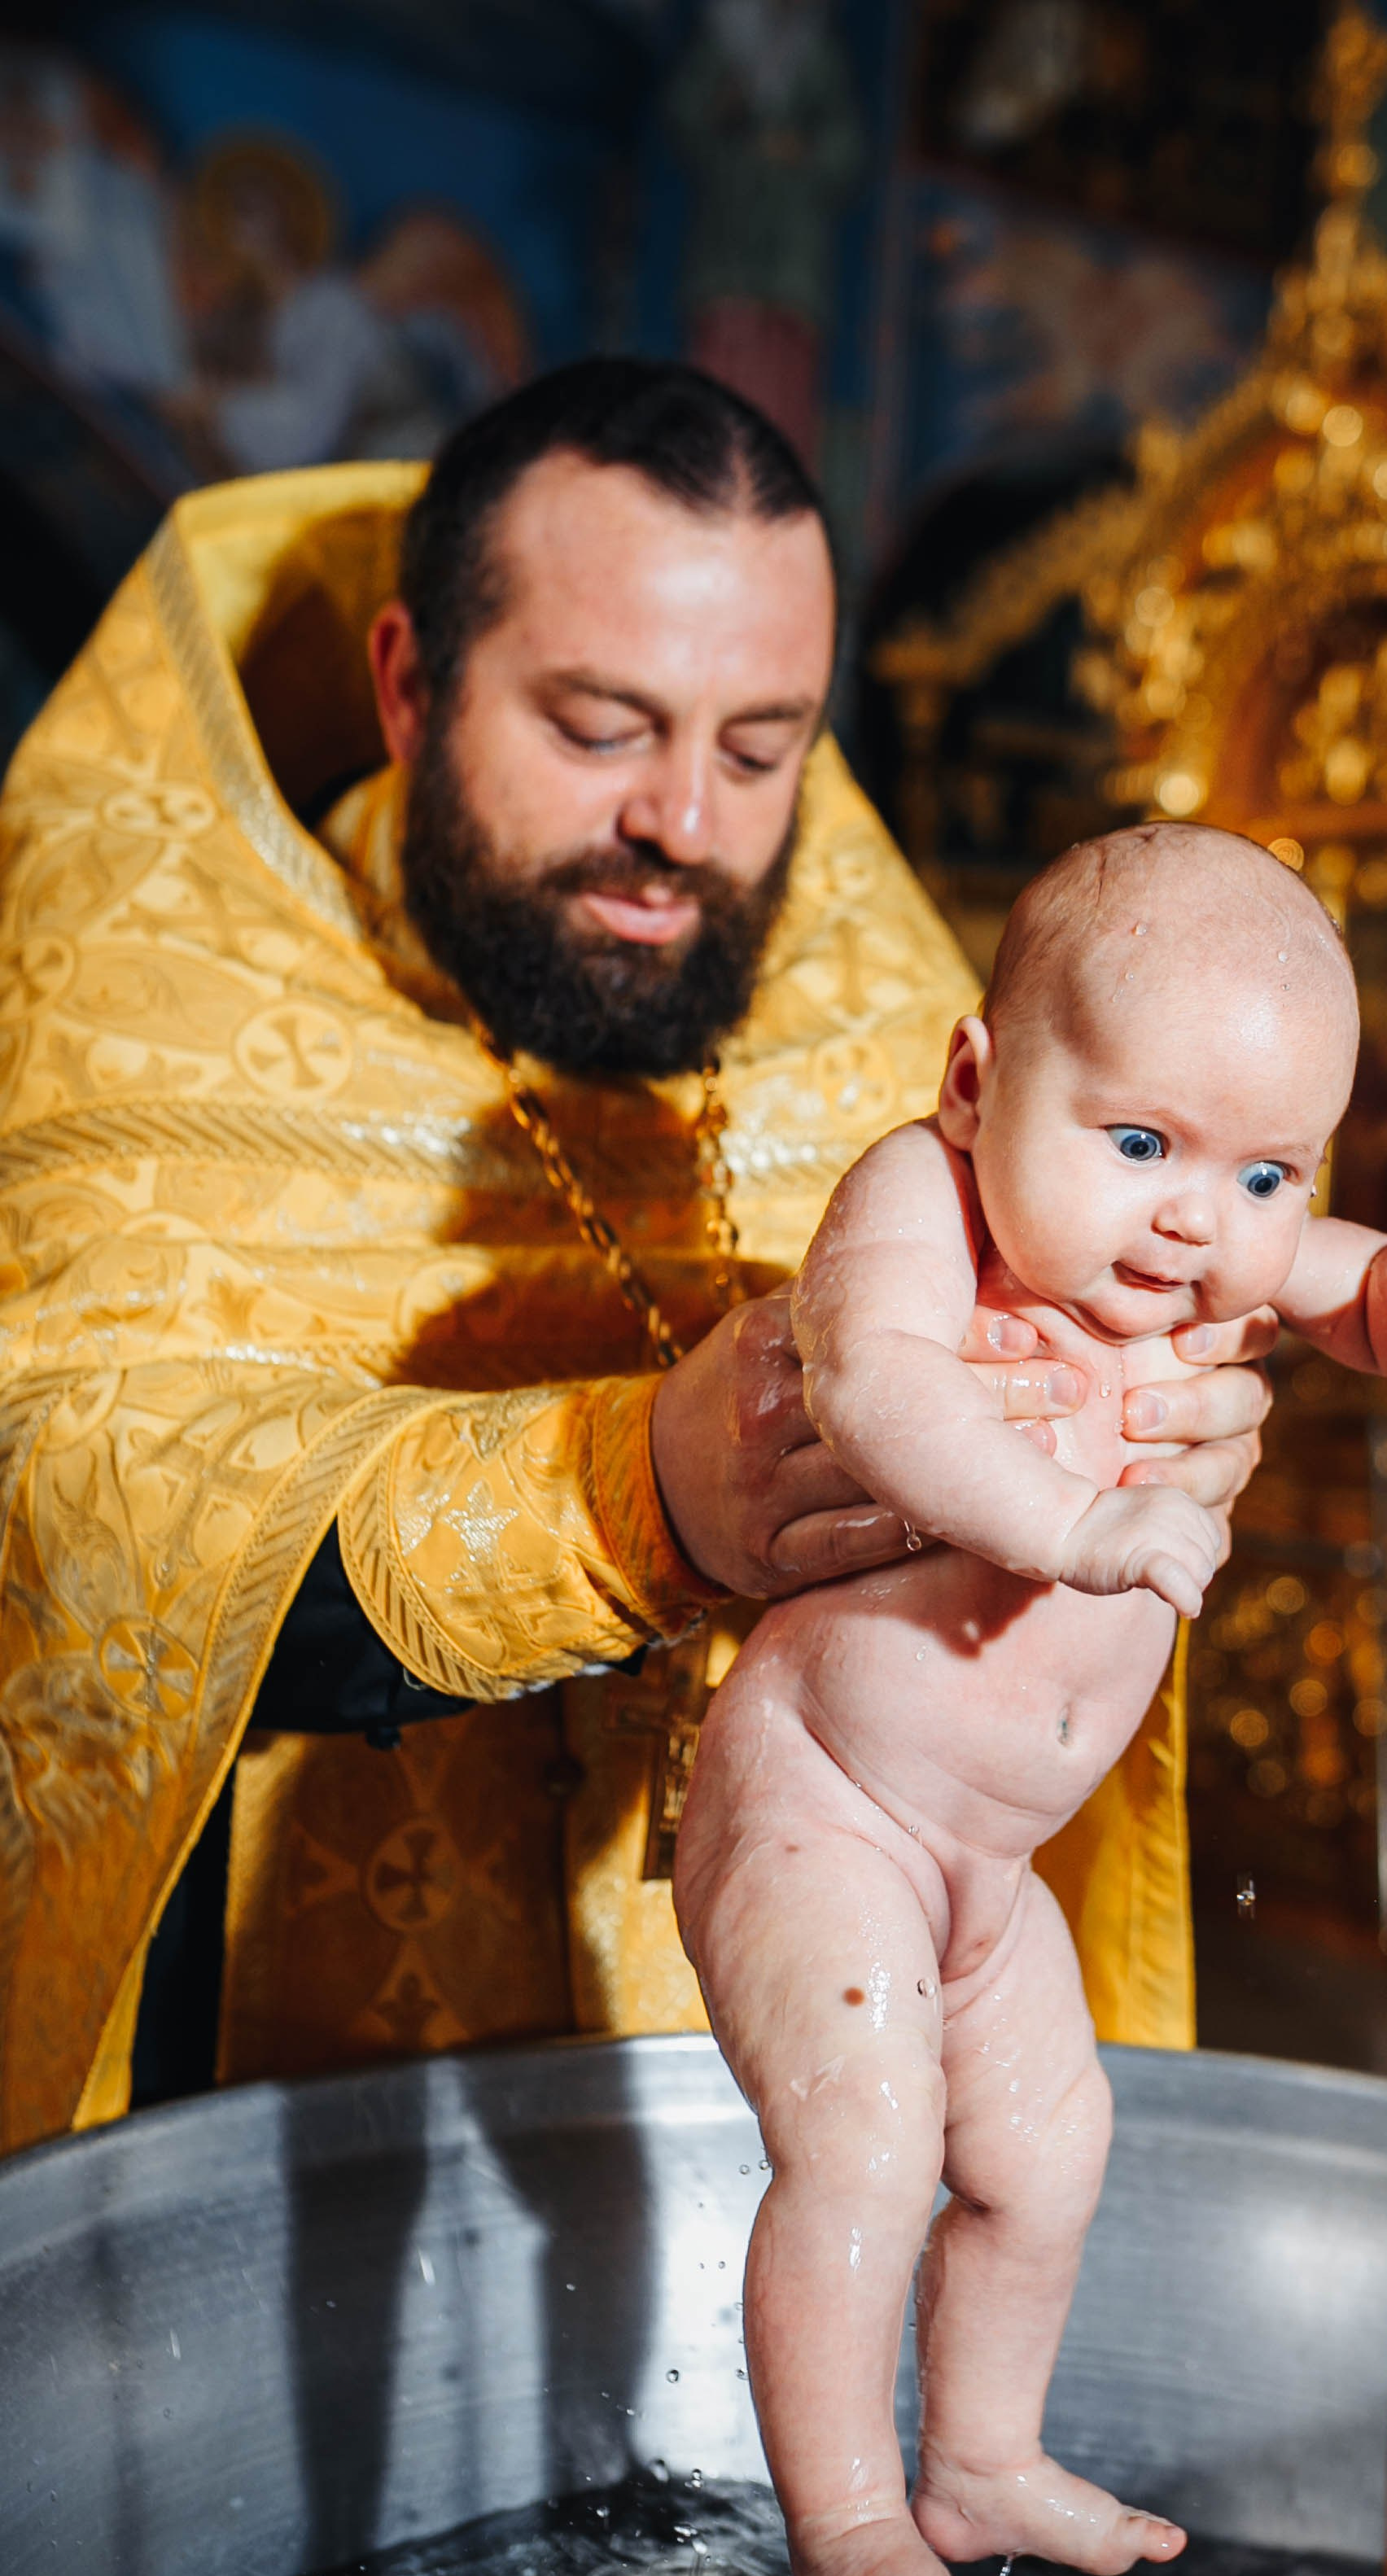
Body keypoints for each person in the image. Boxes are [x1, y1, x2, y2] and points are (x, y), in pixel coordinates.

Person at [0, 360, 1270, 2158]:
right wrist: (637, 1492)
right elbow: (61, 1519)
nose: (687, 822)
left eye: (763, 749)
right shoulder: (151, 989)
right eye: (601, 728)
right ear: (409, 686)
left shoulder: (885, 1006)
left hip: (793, 2054)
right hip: (288, 2103)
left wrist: (1148, 1418)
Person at [676, 824, 1387, 2576]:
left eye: (1264, 1169)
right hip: (826, 1800)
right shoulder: (923, 1197)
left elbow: (1377, 1295)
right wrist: (1075, 1524)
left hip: (989, 1867)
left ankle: (975, 2461)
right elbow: (874, 1383)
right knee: (874, 2156)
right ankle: (854, 2528)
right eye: (1137, 1145)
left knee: (1051, 2154)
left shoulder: (1217, 1255)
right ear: (979, 1086)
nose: (1196, 1219)